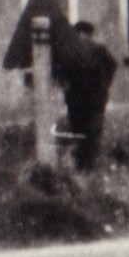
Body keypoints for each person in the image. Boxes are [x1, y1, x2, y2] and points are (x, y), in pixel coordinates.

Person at [52, 21, 122, 173]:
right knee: (92, 133)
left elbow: (60, 73)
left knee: (79, 131)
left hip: (77, 100)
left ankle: (82, 165)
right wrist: (105, 85)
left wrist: (66, 85)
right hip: (95, 99)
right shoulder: (99, 49)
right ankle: (88, 166)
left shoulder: (70, 50)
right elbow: (112, 66)